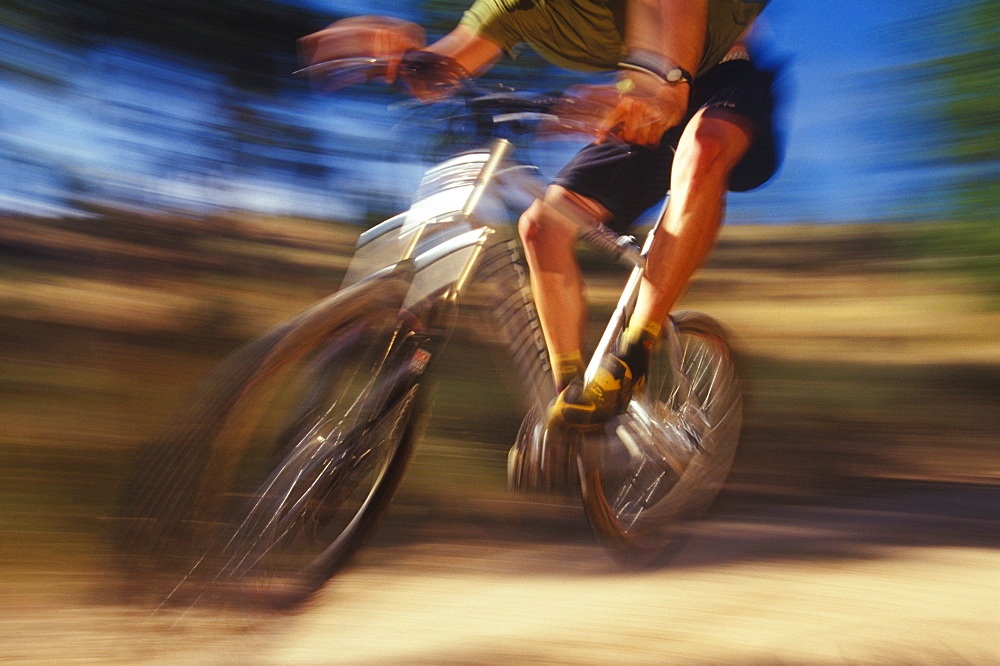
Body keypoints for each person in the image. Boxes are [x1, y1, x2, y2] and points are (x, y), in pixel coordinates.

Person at [300, 0, 778, 429]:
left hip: (724, 78)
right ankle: (570, 399)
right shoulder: (513, 5)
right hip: (646, 91)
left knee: (702, 147)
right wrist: (401, 55)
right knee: (541, 226)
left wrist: (667, 81)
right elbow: (448, 65)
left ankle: (632, 356)